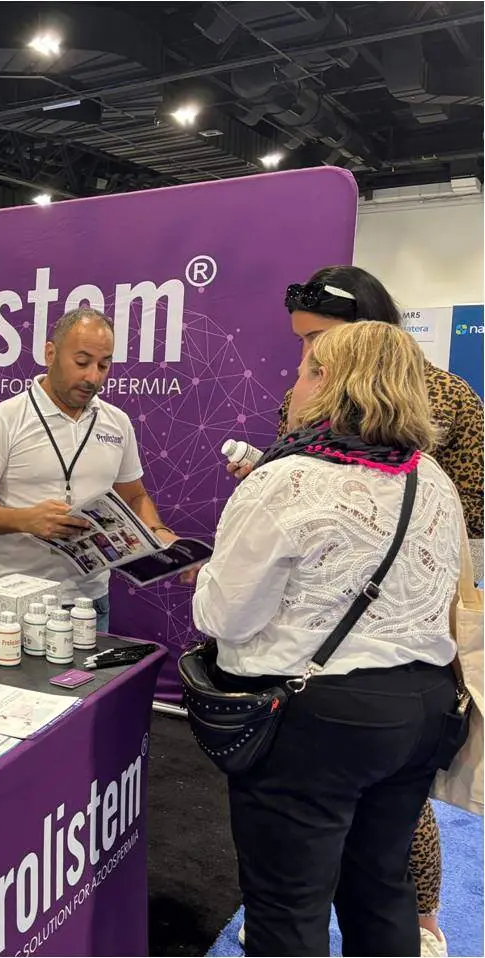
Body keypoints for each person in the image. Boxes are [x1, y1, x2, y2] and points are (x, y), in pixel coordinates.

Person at [229, 264, 481, 957]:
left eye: (316, 343)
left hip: (354, 671)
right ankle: (378, 920)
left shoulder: (449, 401)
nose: (304, 360)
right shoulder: (319, 415)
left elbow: (470, 521)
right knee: (369, 868)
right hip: (391, 675)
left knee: (345, 863)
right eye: (302, 344)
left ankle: (419, 918)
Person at [0, 307, 177, 632]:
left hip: (90, 604)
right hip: (12, 601)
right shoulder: (4, 419)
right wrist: (25, 519)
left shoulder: (117, 422)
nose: (93, 378)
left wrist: (157, 531)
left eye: (103, 365)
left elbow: (135, 496)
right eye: (82, 362)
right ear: (50, 353)